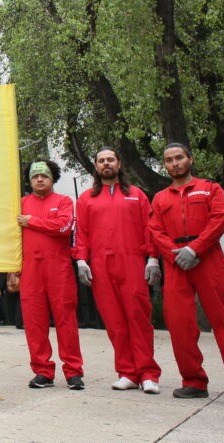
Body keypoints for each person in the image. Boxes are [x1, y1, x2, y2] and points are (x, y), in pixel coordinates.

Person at [149, 143, 224, 409]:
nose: (175, 163)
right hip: (176, 262)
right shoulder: (160, 198)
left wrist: (195, 248)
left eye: (179, 157)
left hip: (207, 258)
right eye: (169, 160)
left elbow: (219, 219)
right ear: (166, 166)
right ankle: (193, 382)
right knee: (180, 326)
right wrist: (174, 253)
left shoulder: (211, 189)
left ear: (190, 159)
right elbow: (155, 230)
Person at [75, 146, 162, 393]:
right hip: (101, 265)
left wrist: (152, 259)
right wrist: (81, 261)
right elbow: (81, 233)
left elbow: (150, 228)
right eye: (101, 161)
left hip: (132, 262)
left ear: (119, 164)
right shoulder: (86, 199)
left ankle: (148, 373)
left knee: (138, 318)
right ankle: (127, 372)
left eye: (110, 159)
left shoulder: (137, 195)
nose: (106, 164)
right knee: (114, 322)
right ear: (96, 167)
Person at [17, 160, 84, 389]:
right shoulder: (20, 204)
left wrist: (32, 222)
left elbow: (64, 227)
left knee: (66, 320)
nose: (39, 179)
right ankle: (43, 371)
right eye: (35, 176)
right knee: (34, 323)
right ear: (29, 180)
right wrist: (12, 271)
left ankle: (73, 372)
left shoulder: (64, 201)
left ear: (53, 178)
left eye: (44, 175)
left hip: (59, 269)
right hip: (30, 270)